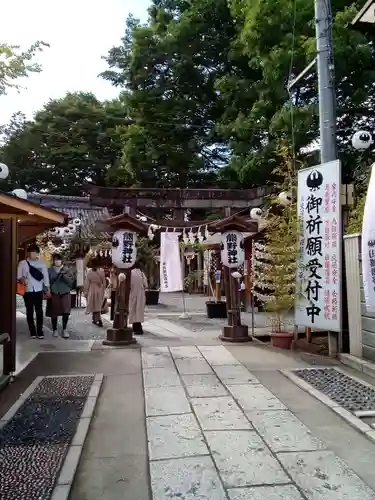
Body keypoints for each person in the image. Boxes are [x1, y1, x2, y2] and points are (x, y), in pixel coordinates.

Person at [17, 243, 50, 339]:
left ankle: (40, 331)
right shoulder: (23, 263)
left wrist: (47, 288)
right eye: (31, 252)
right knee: (29, 311)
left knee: (39, 311)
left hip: (39, 290)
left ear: (38, 253)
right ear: (28, 253)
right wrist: (22, 278)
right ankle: (32, 331)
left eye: (35, 252)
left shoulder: (42, 263)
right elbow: (18, 277)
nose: (33, 254)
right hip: (27, 290)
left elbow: (46, 277)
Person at [46, 254, 74, 338]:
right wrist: (47, 291)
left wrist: (63, 275)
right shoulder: (49, 270)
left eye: (58, 259)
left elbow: (71, 283)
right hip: (54, 293)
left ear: (62, 260)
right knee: (54, 312)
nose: (57, 261)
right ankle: (54, 329)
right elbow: (47, 282)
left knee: (66, 312)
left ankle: (64, 329)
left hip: (65, 293)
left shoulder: (67, 270)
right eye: (55, 259)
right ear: (53, 261)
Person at [84, 258, 106, 326]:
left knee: (94, 304)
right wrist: (103, 289)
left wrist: (86, 292)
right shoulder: (101, 271)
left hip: (92, 289)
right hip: (100, 288)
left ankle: (97, 319)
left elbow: (87, 283)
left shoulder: (89, 272)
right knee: (98, 304)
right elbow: (104, 282)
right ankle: (96, 319)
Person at [128, 262, 148, 335]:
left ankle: (134, 326)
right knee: (139, 310)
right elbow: (146, 285)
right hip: (141, 294)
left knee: (132, 309)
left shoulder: (130, 273)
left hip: (132, 293)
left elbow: (128, 285)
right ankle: (138, 326)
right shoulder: (142, 274)